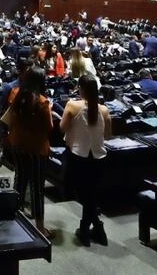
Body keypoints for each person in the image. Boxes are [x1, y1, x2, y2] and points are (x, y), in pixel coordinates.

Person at [60, 75, 112, 246]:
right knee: (90, 194)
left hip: (78, 156)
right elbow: (108, 135)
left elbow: (62, 128)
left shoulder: (72, 105)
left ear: (80, 88)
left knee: (85, 195)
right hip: (98, 157)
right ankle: (95, 228)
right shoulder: (104, 110)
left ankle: (86, 229)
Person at [5, 67, 53, 237]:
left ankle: (14, 217)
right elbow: (49, 127)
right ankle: (40, 227)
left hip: (16, 144)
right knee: (37, 187)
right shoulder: (42, 102)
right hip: (36, 148)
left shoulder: (15, 93)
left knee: (19, 179)